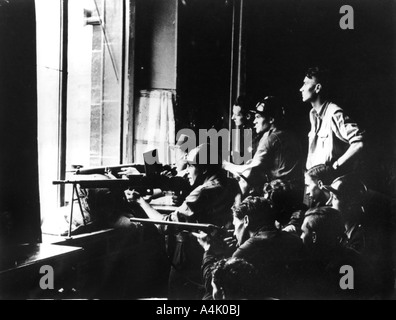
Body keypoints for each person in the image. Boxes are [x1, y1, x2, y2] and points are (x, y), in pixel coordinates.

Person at [124, 143, 239, 300]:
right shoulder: (230, 183)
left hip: (191, 254)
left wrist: (140, 201)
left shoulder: (202, 192)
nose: (186, 171)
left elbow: (164, 225)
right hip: (217, 250)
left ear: (204, 169)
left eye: (190, 166)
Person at [197, 196, 304, 300]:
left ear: (246, 220)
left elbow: (214, 285)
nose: (234, 233)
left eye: (235, 226)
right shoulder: (294, 240)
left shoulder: (245, 252)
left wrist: (208, 250)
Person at [323, 174, 394, 298]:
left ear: (351, 203)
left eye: (334, 198)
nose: (328, 203)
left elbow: (349, 286)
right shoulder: (345, 232)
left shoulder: (365, 238)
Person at [223, 96, 304, 197]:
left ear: (271, 119)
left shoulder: (271, 138)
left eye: (258, 117)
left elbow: (249, 170)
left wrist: (224, 164)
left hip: (280, 195)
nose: (254, 121)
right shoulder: (288, 134)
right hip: (295, 193)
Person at [299, 206, 379, 299]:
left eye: (303, 232)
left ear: (314, 237)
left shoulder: (345, 266)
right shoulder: (337, 257)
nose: (300, 237)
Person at [300, 67, 365, 173]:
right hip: (314, 178)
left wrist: (338, 165)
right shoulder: (313, 114)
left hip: (329, 180)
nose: (301, 89)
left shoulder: (333, 113)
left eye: (306, 84)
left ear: (317, 88)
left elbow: (358, 143)